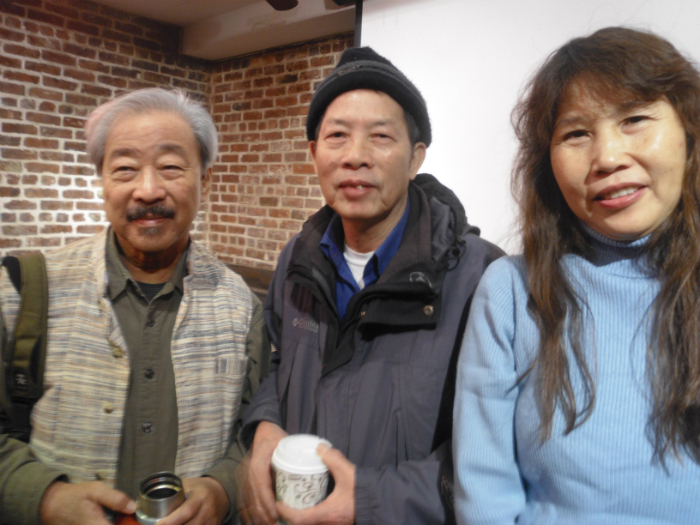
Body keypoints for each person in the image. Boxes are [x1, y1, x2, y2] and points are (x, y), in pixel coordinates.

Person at [236, 47, 503, 525]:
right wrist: (264, 425)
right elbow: (278, 366)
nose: (355, 157)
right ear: (314, 152)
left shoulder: (481, 279)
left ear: (415, 157)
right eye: (336, 136)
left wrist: (371, 501)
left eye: (380, 137)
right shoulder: (297, 260)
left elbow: (499, 452)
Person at [453, 27, 700, 525]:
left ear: (689, 133)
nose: (607, 157)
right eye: (576, 133)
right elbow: (484, 494)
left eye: (634, 119)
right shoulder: (510, 291)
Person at [0, 88, 271, 525]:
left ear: (205, 180)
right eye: (125, 168)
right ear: (102, 181)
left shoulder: (240, 305)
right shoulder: (25, 289)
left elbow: (255, 430)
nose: (147, 190)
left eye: (170, 167)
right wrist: (44, 498)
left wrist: (223, 487)